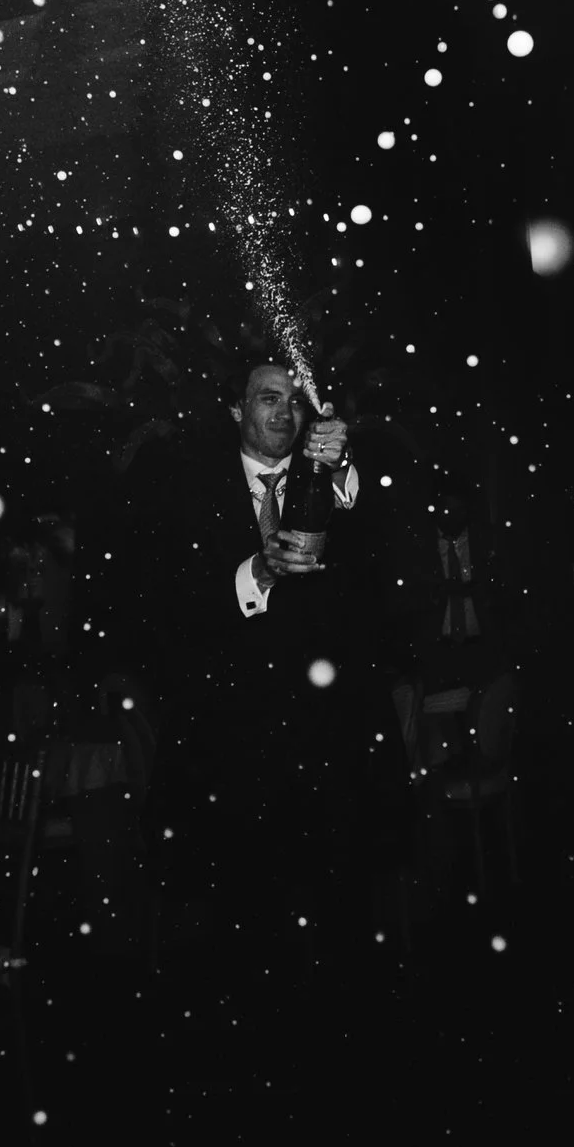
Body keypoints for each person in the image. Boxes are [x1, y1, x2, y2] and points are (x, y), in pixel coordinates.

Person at [137, 360, 371, 963]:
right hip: (228, 734)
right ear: (237, 411)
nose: (284, 413)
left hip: (318, 732)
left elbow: (361, 514)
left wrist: (340, 459)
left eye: (294, 401)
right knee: (236, 912)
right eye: (268, 398)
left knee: (326, 903)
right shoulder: (190, 489)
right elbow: (172, 603)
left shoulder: (325, 478)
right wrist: (257, 573)